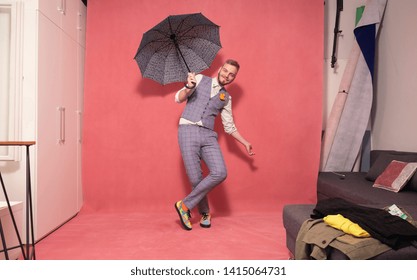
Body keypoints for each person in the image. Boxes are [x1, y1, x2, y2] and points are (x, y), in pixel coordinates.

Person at [174, 59, 254, 230]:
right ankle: (205, 212)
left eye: (232, 74)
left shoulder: (227, 97)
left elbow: (229, 126)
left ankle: (185, 205)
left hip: (209, 135)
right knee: (195, 178)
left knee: (220, 172)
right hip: (187, 129)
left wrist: (245, 142)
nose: (227, 75)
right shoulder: (200, 79)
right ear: (220, 69)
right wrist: (189, 86)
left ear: (234, 78)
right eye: (226, 71)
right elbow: (178, 99)